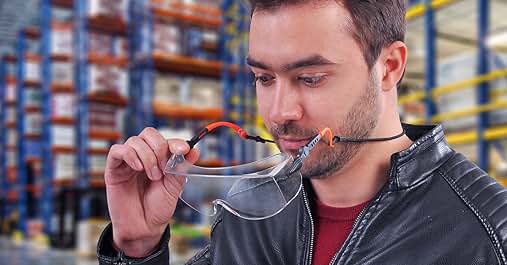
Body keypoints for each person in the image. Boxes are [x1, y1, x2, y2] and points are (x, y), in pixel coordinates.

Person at [97, 0, 507, 264]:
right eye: (263, 78)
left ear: (389, 66)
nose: (279, 113)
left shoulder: (489, 233)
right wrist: (137, 248)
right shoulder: (249, 208)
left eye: (310, 78)